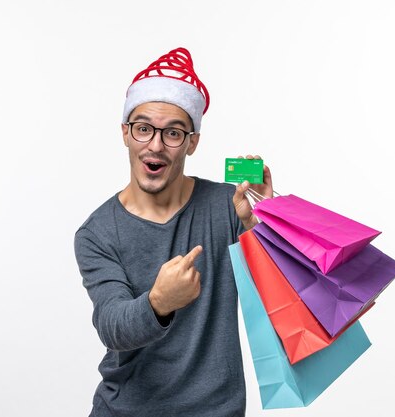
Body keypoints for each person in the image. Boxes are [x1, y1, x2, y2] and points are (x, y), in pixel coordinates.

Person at [74, 47, 273, 417]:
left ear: (193, 142)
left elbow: (276, 300)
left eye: (174, 133)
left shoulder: (229, 206)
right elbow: (111, 325)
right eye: (144, 128)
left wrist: (262, 224)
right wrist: (159, 302)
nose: (155, 145)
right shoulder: (97, 233)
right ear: (125, 134)